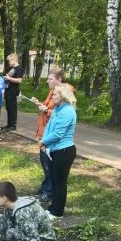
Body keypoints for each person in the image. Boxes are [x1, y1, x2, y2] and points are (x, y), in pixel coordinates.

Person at [30, 69, 73, 203]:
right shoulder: (53, 93)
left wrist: (46, 110)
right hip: (45, 135)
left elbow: (58, 127)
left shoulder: (65, 97)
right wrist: (40, 104)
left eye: (50, 78)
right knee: (46, 165)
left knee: (51, 169)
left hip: (55, 143)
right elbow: (49, 108)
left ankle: (50, 193)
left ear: (59, 80)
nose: (47, 81)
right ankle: (46, 188)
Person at [39, 83, 77, 220]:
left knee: (60, 182)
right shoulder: (57, 109)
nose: (52, 96)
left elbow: (58, 134)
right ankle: (52, 207)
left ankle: (58, 212)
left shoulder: (67, 111)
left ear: (63, 96)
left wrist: (43, 142)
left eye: (54, 94)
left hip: (64, 151)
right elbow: (49, 128)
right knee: (54, 180)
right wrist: (45, 142)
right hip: (54, 150)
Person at [3, 54, 24, 130]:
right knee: (8, 108)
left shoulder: (18, 68)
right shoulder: (12, 69)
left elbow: (19, 80)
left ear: (13, 60)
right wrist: (6, 79)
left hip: (13, 92)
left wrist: (8, 78)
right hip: (8, 91)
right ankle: (9, 124)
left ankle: (13, 125)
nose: (8, 63)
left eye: (9, 61)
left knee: (12, 108)